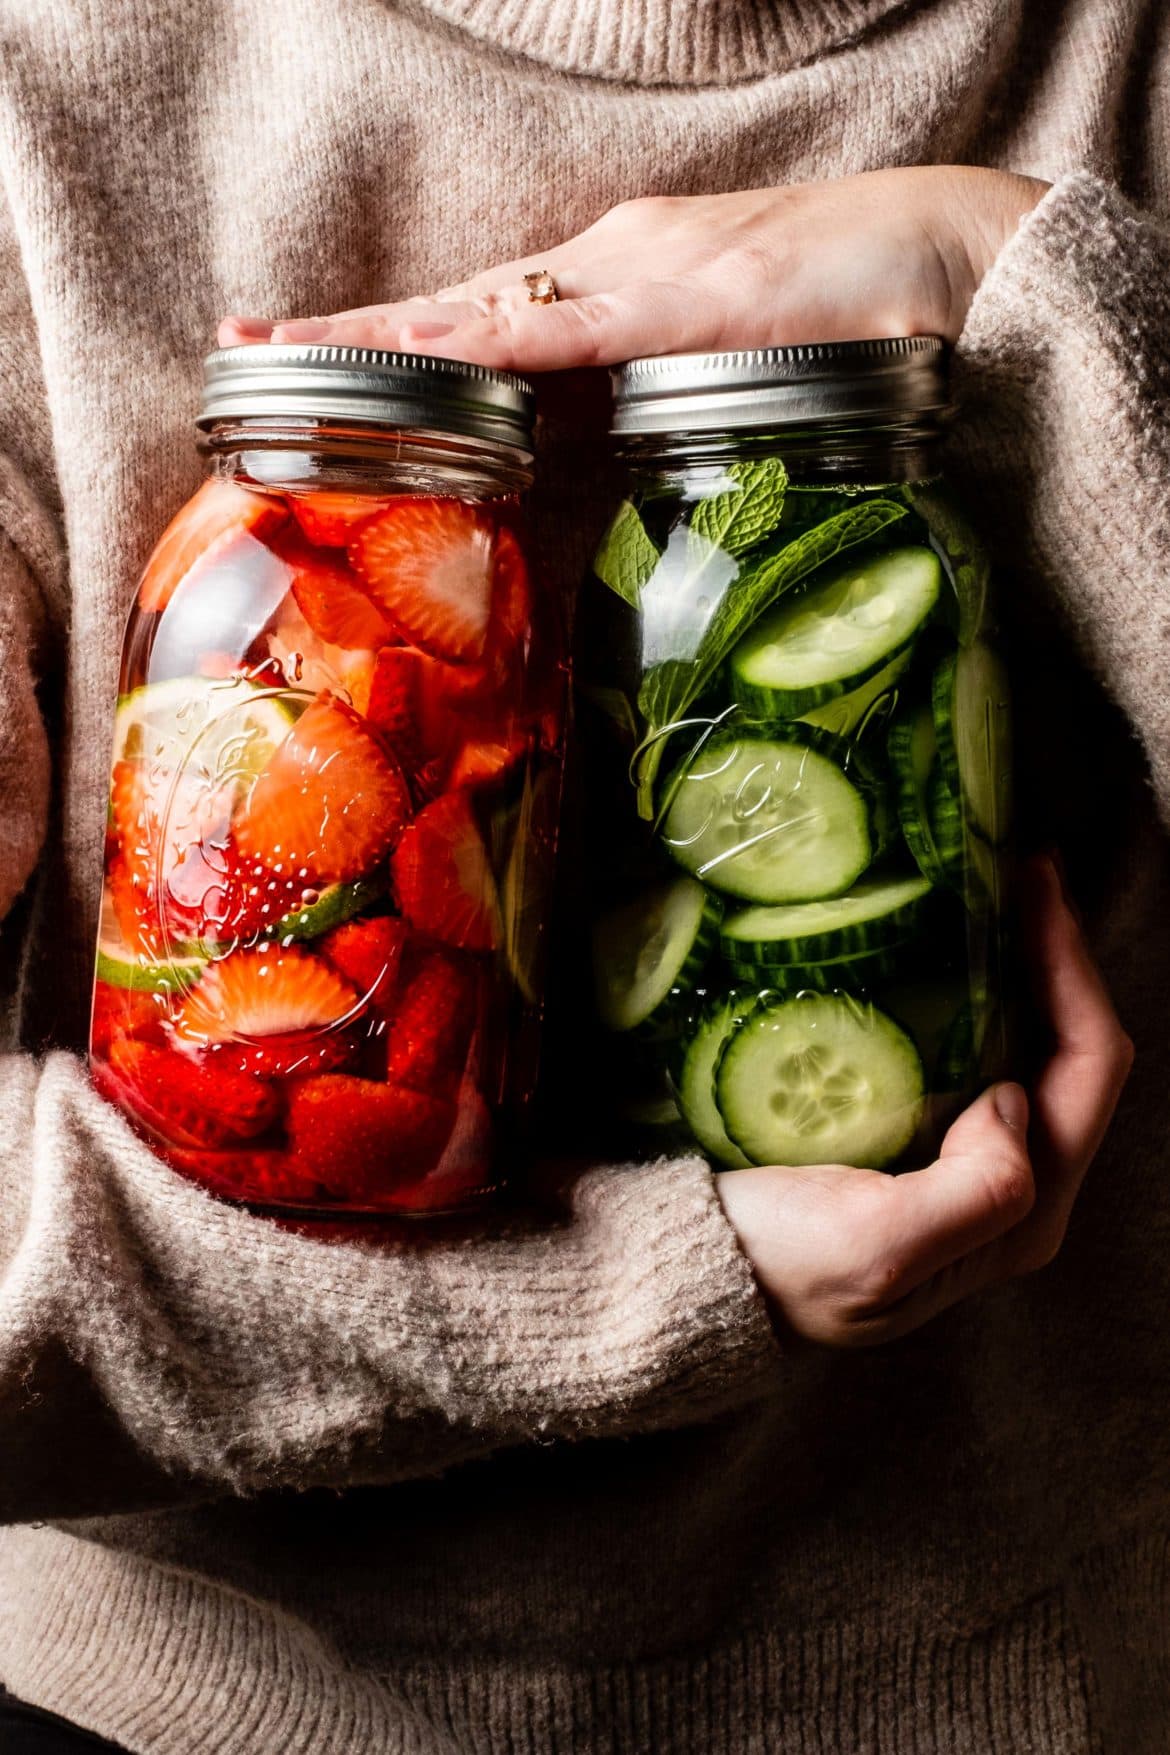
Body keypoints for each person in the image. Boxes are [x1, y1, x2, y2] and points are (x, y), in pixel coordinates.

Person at [0, 1, 1164, 1750]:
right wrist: (639, 1285)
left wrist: (1015, 268)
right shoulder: (44, 80)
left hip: (1035, 1684)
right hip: (170, 1705)